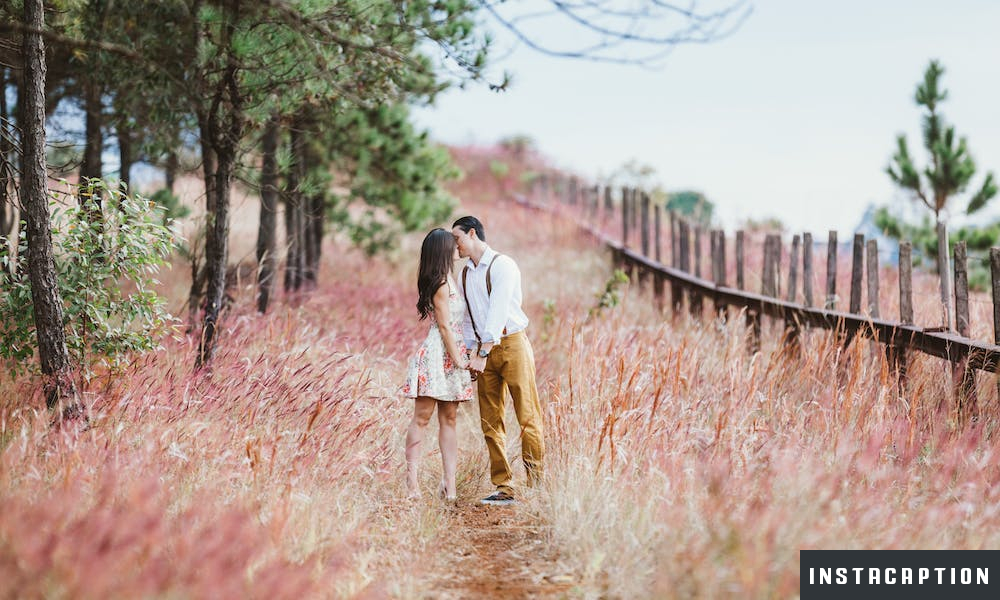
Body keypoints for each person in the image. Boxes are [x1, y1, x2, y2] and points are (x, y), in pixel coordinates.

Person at [452, 216, 545, 506]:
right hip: (482, 351)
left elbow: (497, 311)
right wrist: (470, 354)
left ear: (471, 233)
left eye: (457, 238)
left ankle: (536, 485)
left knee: (527, 415)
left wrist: (482, 352)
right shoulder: (465, 274)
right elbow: (468, 319)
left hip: (512, 344)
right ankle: (504, 487)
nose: (454, 245)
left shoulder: (503, 265)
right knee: (490, 420)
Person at [402, 228, 474, 501]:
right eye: (452, 244)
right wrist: (458, 360)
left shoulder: (451, 279)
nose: (457, 247)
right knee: (422, 418)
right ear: (443, 250)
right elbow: (443, 326)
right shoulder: (441, 284)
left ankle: (449, 484)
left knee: (450, 419)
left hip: (452, 351)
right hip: (438, 354)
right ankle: (412, 485)